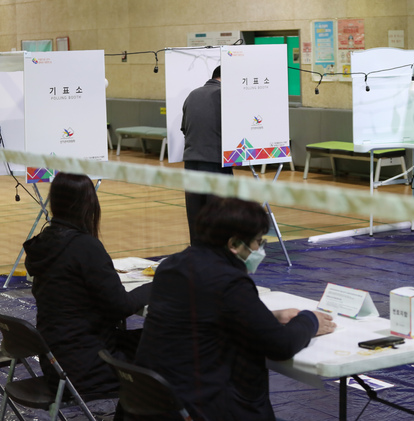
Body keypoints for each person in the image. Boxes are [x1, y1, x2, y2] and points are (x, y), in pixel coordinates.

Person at [133, 197, 336, 421]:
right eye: (258, 241)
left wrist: (269, 317)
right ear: (234, 244)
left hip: (156, 398)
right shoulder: (227, 280)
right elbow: (281, 345)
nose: (260, 248)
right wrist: (310, 321)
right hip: (202, 405)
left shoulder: (173, 264)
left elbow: (204, 318)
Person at [23, 172, 151, 395]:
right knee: (170, 348)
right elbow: (120, 305)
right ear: (87, 205)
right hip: (87, 367)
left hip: (56, 362)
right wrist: (155, 287)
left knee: (152, 339)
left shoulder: (43, 243)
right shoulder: (85, 247)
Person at [181, 65, 233, 244]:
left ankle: (197, 260)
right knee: (218, 219)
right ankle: (217, 262)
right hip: (215, 163)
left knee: (196, 217)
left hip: (191, 163)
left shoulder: (192, 95)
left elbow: (184, 129)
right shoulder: (224, 96)